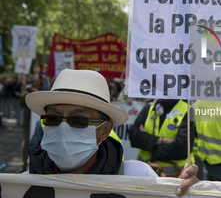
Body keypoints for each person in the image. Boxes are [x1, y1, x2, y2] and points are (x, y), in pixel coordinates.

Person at [25, 69, 199, 196]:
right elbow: (135, 135)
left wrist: (192, 193)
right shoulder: (21, 185)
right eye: (53, 119)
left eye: (78, 119)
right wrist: (160, 141)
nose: (62, 130)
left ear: (105, 130)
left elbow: (181, 147)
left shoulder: (137, 178)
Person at [129, 99, 195, 176]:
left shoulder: (187, 110)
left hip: (173, 173)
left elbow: (182, 149)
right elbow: (134, 136)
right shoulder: (149, 107)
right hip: (145, 169)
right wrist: (163, 140)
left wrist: (150, 147)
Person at [18, 73, 44, 172]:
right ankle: (23, 164)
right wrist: (25, 96)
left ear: (40, 81)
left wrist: (38, 94)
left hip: (41, 121)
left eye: (36, 81)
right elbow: (20, 103)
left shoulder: (46, 89)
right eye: (33, 81)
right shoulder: (27, 88)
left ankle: (37, 163)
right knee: (25, 143)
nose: (34, 83)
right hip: (28, 120)